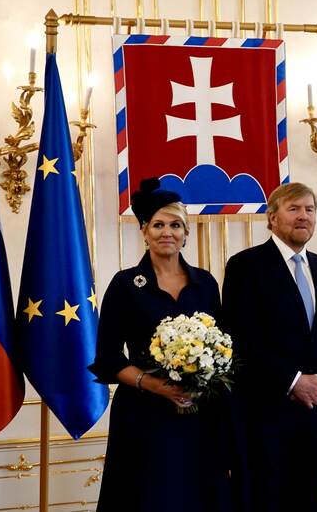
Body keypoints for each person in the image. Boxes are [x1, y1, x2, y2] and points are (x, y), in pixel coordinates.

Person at [89, 178, 237, 511]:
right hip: (144, 417)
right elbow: (108, 357)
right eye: (158, 224)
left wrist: (201, 380)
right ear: (144, 231)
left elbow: (224, 348)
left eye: (175, 225)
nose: (166, 232)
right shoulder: (126, 285)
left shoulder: (206, 284)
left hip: (200, 416)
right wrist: (156, 386)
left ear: (185, 233)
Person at [222, 182, 317, 512]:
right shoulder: (245, 267)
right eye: (294, 209)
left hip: (316, 413)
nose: (303, 216)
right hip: (264, 414)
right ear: (272, 217)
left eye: (309, 210)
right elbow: (241, 337)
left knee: (307, 503)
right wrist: (294, 381)